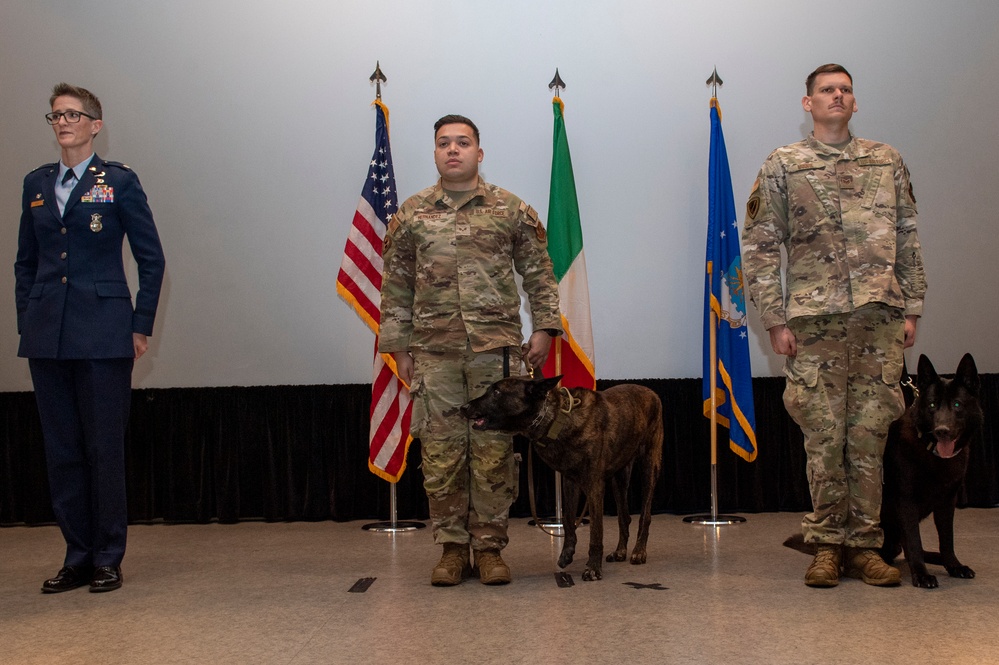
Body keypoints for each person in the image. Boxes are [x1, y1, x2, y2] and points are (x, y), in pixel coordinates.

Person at [742, 64, 926, 588]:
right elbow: (758, 247)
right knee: (823, 437)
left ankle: (866, 547)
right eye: (827, 90)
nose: (837, 96)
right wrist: (775, 319)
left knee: (868, 437)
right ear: (808, 104)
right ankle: (825, 545)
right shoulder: (784, 164)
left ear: (855, 102)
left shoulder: (886, 160)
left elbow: (908, 236)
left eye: (845, 89)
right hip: (814, 322)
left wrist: (912, 307)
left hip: (878, 320)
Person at [379, 114, 562, 586]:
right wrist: (398, 348)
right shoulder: (412, 215)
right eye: (444, 143)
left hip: (494, 355)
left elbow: (539, 273)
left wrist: (545, 328)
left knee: (493, 453)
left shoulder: (509, 210)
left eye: (463, 142)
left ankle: (490, 550)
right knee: (441, 453)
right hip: (434, 355)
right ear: (435, 153)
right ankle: (452, 550)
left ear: (480, 153)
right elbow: (395, 286)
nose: (453, 150)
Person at [15, 83, 166, 593]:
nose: (63, 123)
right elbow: (26, 263)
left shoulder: (119, 182)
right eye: (56, 115)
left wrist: (139, 324)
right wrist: (27, 319)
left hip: (103, 332)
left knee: (103, 448)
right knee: (62, 451)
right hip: (48, 336)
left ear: (94, 125)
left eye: (74, 115)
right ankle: (76, 555)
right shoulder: (35, 183)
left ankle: (107, 556)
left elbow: (152, 259)